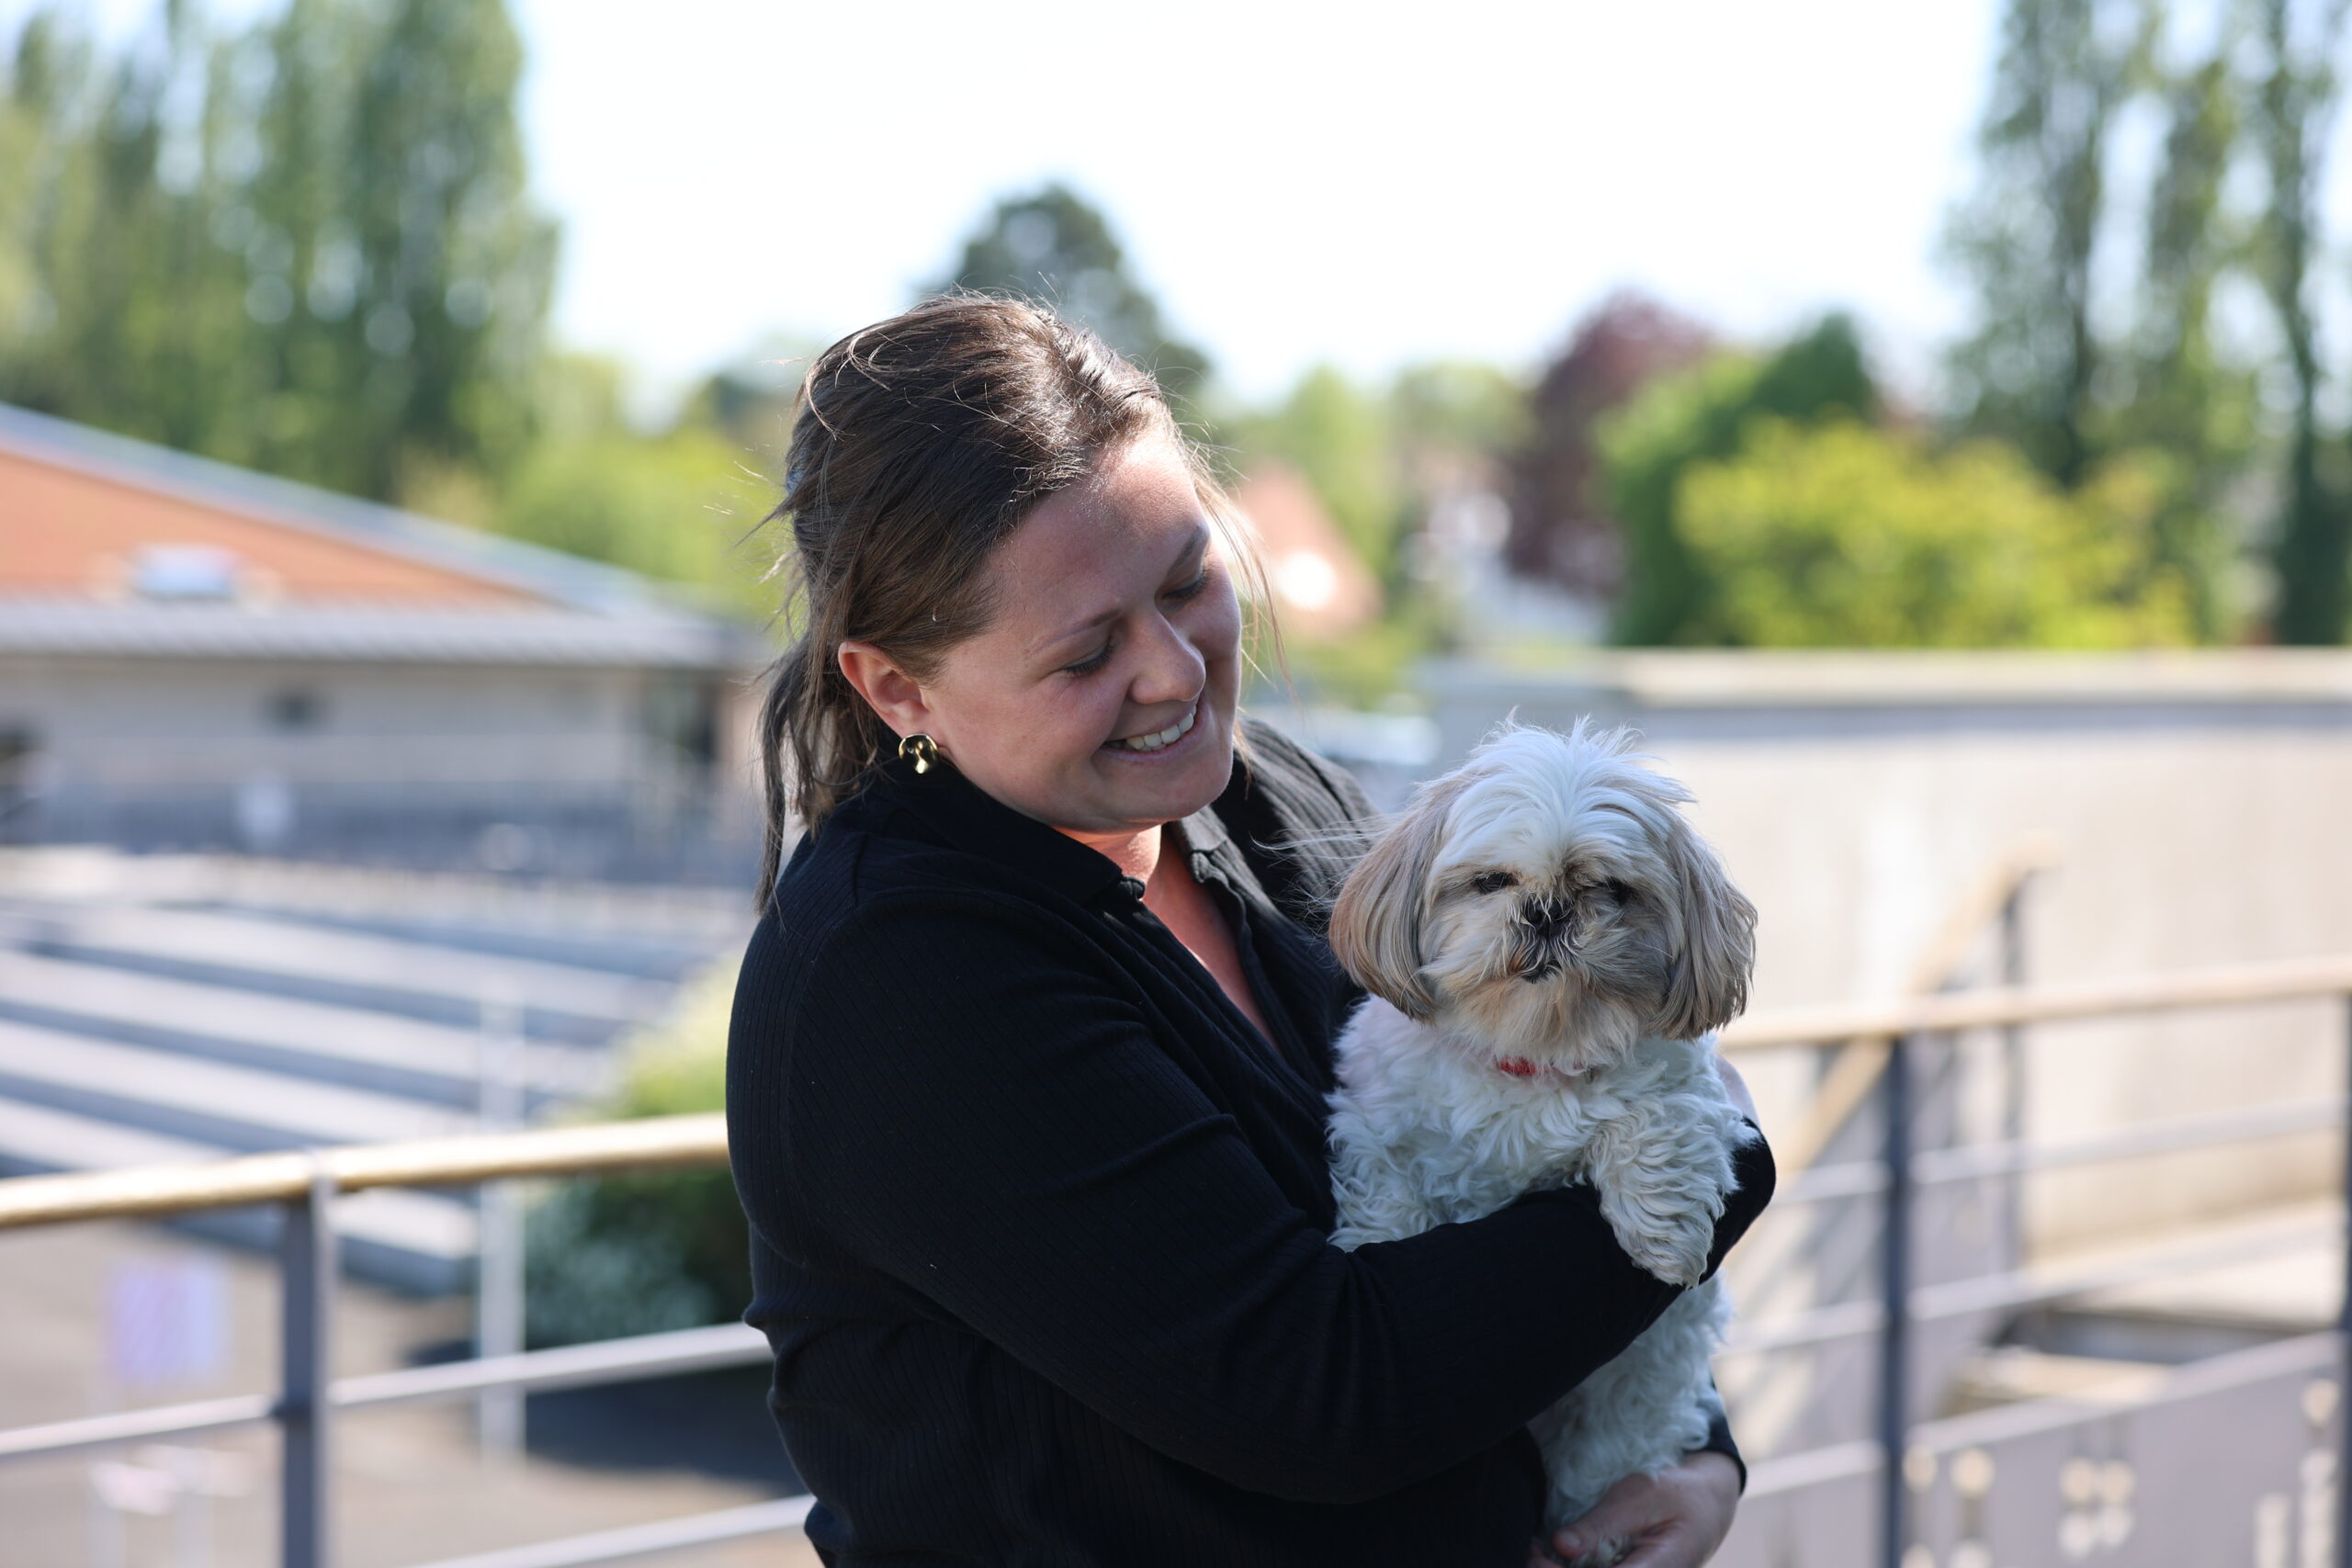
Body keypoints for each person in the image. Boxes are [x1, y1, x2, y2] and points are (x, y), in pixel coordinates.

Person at [724, 296, 1776, 1568]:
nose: (1174, 671)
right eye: (1084, 653)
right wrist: (1721, 1163)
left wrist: (1694, 1454)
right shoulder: (899, 978)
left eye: (1188, 581)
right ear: (898, 686)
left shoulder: (1274, 802)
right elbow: (1325, 1397)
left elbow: (1510, 1174)